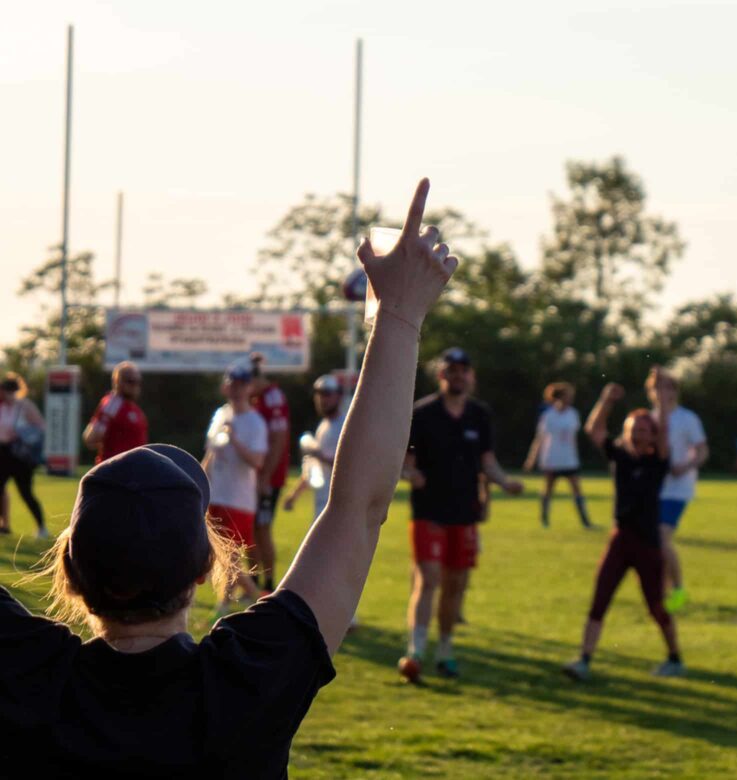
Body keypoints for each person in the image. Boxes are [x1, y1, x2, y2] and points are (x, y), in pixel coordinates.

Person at [0, 177, 456, 776]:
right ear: (202, 568)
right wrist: (399, 315)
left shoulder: (25, 676)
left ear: (68, 570)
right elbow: (359, 507)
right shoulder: (249, 681)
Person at [399, 348, 523, 681]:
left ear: (471, 376)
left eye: (464, 371)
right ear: (442, 375)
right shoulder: (422, 414)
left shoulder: (479, 415)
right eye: (452, 371)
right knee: (428, 580)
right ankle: (416, 650)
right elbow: (405, 465)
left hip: (464, 513)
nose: (458, 376)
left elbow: (487, 462)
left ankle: (445, 650)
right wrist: (413, 476)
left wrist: (505, 483)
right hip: (428, 511)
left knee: (455, 585)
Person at [562, 374, 683, 681]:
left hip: (648, 543)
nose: (637, 434)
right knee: (600, 597)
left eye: (643, 430)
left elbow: (666, 432)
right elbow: (593, 429)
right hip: (620, 539)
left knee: (656, 606)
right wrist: (606, 400)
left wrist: (662, 403)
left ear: (652, 436)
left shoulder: (659, 462)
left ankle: (674, 657)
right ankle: (584, 660)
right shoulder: (620, 456)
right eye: (632, 429)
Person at [203, 362, 267, 617]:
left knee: (227, 554)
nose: (237, 390)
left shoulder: (255, 422)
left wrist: (235, 440)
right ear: (226, 386)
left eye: (243, 385)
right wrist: (199, 477)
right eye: (234, 384)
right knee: (223, 552)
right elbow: (210, 453)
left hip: (239, 498)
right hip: (217, 493)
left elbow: (257, 461)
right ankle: (225, 603)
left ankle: (257, 597)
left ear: (250, 388)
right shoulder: (220, 414)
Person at [645, 369, 708, 613]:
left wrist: (686, 465)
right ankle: (662, 591)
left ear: (674, 391)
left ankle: (678, 589)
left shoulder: (687, 419)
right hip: (653, 489)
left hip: (678, 489)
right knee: (654, 542)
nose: (662, 392)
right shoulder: (648, 420)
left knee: (662, 537)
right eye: (656, 388)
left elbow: (702, 450)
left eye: (667, 387)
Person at [249, 353, 291, 594]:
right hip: (252, 476)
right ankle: (253, 583)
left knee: (262, 528)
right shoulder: (257, 398)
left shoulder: (272, 397)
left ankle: (268, 583)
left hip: (267, 479)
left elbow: (279, 439)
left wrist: (265, 477)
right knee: (249, 528)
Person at [524, 382, 591, 529]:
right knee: (548, 489)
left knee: (577, 489)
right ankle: (544, 519)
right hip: (552, 459)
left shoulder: (573, 414)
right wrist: (532, 458)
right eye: (568, 396)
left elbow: (573, 437)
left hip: (569, 460)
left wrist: (575, 456)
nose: (570, 399)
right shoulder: (548, 416)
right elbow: (539, 438)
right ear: (559, 397)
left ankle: (585, 521)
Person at [283, 374, 346, 521]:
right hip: (322, 504)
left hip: (338, 508)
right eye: (319, 394)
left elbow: (350, 466)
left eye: (327, 394)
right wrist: (294, 495)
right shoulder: (323, 426)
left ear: (339, 396)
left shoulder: (345, 425)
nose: (322, 399)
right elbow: (314, 467)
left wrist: (319, 455)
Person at [0, 373, 47, 538]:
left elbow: (41, 427)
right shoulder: (2, 406)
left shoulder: (24, 406)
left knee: (26, 493)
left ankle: (41, 527)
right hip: (3, 453)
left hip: (20, 455)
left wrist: (21, 433)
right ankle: (4, 526)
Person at [83, 361, 148, 463]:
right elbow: (91, 439)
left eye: (137, 381)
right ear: (117, 381)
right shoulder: (112, 404)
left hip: (133, 471)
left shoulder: (135, 409)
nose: (135, 386)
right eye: (130, 381)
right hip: (114, 471)